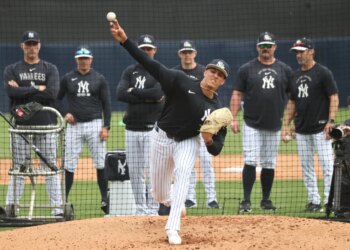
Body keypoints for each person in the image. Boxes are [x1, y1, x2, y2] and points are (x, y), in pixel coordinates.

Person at [110, 20, 229, 245]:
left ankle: (172, 227)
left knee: (185, 172)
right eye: (212, 70)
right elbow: (150, 64)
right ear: (205, 72)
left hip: (188, 141)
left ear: (223, 82)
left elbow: (217, 149)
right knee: (159, 195)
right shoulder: (180, 80)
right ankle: (174, 198)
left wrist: (209, 140)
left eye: (220, 75)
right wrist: (125, 41)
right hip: (161, 139)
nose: (214, 75)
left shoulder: (218, 111)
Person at [230, 32, 293, 212]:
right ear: (257, 47)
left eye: (269, 46)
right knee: (250, 160)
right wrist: (234, 117)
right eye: (262, 46)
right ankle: (246, 201)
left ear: (275, 47)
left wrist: (289, 123)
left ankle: (266, 200)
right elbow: (237, 93)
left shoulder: (285, 70)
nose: (265, 49)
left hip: (274, 124)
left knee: (269, 163)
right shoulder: (246, 69)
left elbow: (293, 97)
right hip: (251, 123)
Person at [3, 30, 63, 216]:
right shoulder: (11, 69)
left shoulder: (50, 68)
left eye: (34, 44)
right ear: (22, 46)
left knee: (50, 167)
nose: (31, 47)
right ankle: (12, 208)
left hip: (45, 125)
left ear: (39, 45)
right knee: (19, 167)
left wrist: (23, 89)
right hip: (20, 126)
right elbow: (11, 93)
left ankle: (57, 210)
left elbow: (51, 93)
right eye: (28, 44)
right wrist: (37, 88)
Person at [282, 37, 339, 212]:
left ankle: (331, 201)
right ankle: (314, 202)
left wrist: (330, 121)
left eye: (302, 51)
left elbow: (334, 97)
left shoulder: (323, 72)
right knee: (307, 167)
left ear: (311, 51)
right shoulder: (294, 75)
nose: (299, 55)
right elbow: (292, 101)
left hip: (321, 130)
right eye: (296, 52)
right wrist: (286, 124)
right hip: (301, 130)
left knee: (328, 167)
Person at [57, 46, 111, 214]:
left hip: (95, 124)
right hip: (74, 126)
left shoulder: (99, 78)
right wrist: (65, 113)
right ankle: (63, 202)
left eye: (86, 58)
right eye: (81, 58)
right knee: (69, 163)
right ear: (76, 60)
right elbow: (57, 99)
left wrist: (106, 126)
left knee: (101, 162)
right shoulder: (68, 78)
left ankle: (105, 199)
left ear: (91, 60)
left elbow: (107, 104)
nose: (84, 61)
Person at [116, 34, 164, 216]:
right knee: (135, 171)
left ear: (154, 50)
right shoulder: (129, 71)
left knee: (152, 171)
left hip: (152, 130)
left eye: (148, 49)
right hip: (131, 130)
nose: (145, 52)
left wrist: (133, 91)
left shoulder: (159, 70)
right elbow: (120, 94)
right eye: (142, 49)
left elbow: (158, 94)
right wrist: (146, 96)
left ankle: (153, 209)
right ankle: (140, 208)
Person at [173, 40, 219, 209]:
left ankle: (211, 198)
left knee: (207, 162)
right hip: (185, 126)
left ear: (195, 53)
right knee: (188, 163)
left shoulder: (203, 71)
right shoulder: (175, 73)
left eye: (189, 52)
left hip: (204, 125)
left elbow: (212, 93)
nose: (187, 55)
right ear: (179, 54)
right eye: (184, 52)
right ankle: (190, 197)